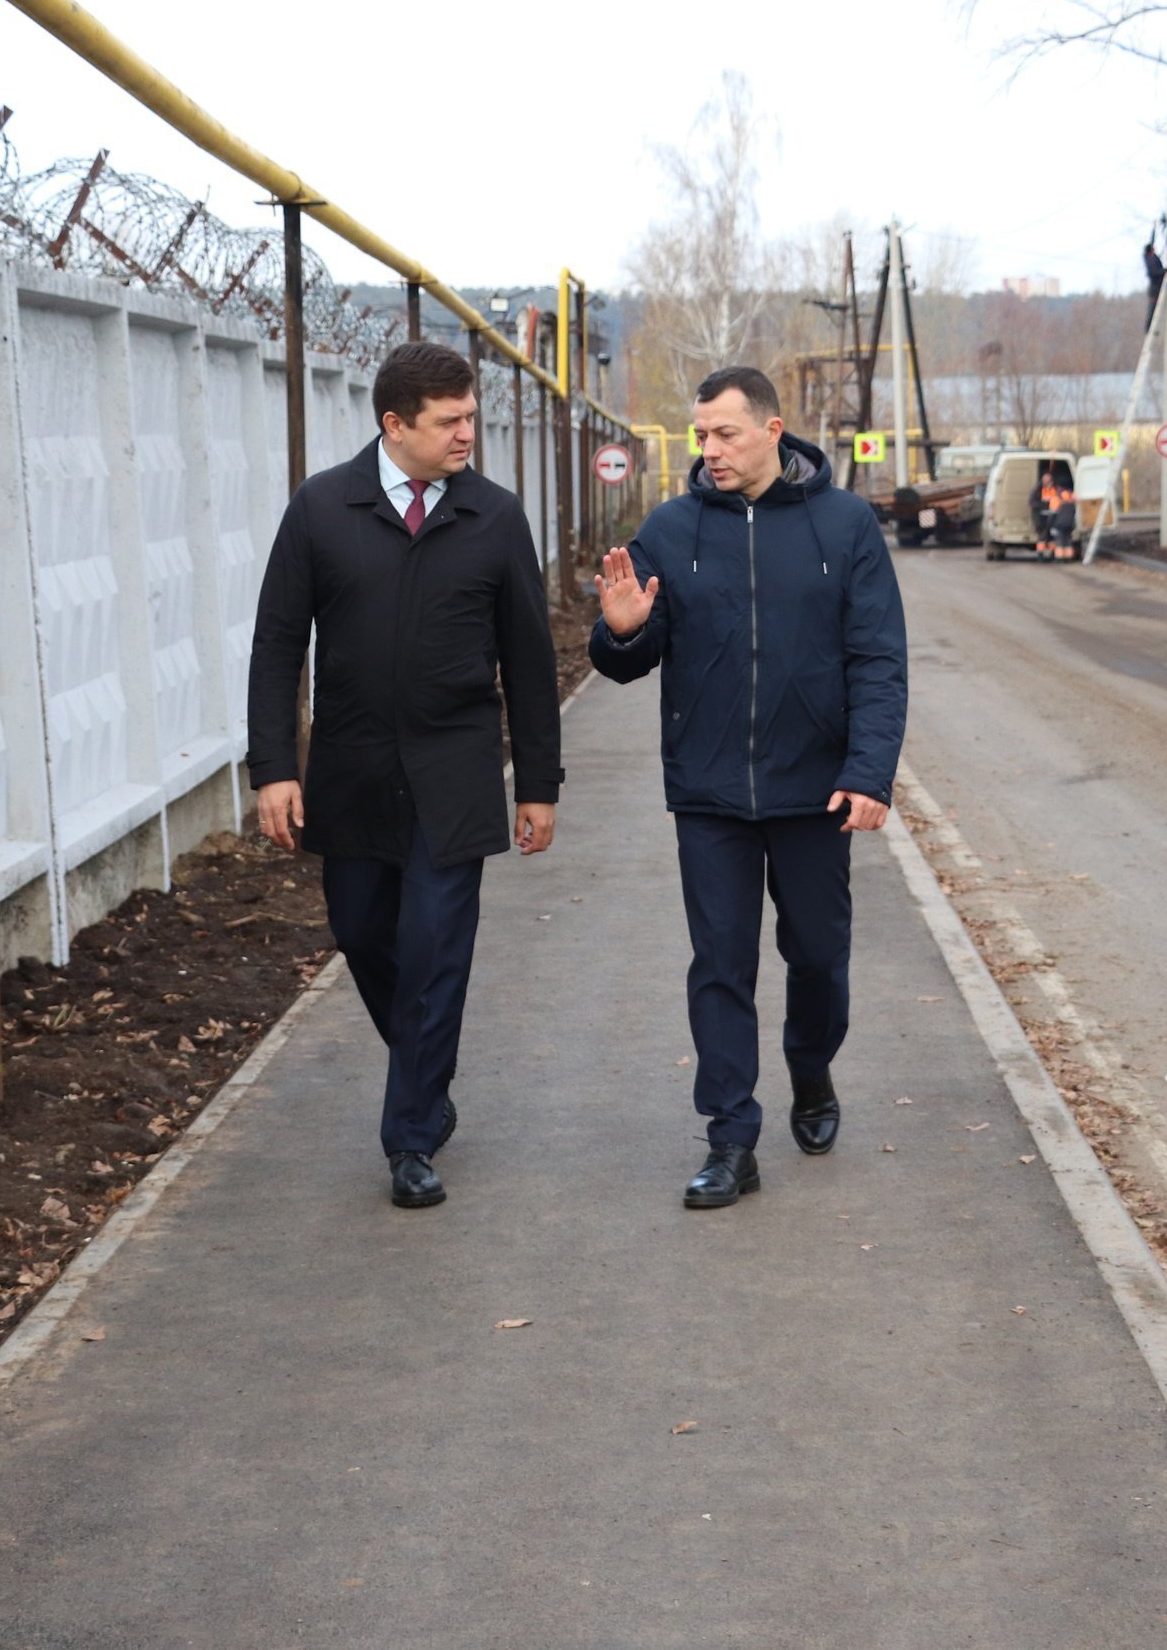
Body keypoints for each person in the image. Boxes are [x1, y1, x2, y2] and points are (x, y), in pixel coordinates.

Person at [246, 340, 561, 1210]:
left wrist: (539, 783)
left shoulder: (494, 516)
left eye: (470, 416)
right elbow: (277, 645)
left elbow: (529, 661)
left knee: (434, 951)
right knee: (362, 931)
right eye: (450, 421)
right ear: (395, 424)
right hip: (350, 771)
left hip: (454, 771)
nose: (468, 433)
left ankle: (411, 1137)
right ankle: (426, 1075)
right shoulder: (323, 508)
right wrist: (274, 768)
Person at [589, 366, 908, 1209]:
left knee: (818, 957)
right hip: (710, 792)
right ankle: (731, 1138)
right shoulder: (672, 526)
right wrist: (619, 634)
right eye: (700, 435)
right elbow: (632, 649)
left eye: (725, 432)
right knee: (720, 965)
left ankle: (811, 1066)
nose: (710, 449)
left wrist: (869, 772)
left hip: (817, 792)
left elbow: (879, 659)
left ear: (773, 430)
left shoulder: (845, 525)